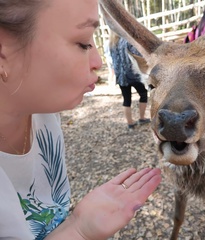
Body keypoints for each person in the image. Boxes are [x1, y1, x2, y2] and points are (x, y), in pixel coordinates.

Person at [0, 0, 161, 239]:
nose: (98, 62)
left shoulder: (44, 116)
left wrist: (77, 224)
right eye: (83, 43)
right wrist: (79, 230)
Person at [109, 31, 151, 130]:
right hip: (133, 74)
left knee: (126, 99)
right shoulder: (128, 41)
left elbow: (112, 61)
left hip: (121, 76)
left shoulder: (111, 44)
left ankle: (130, 123)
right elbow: (137, 56)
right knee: (143, 94)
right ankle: (142, 117)